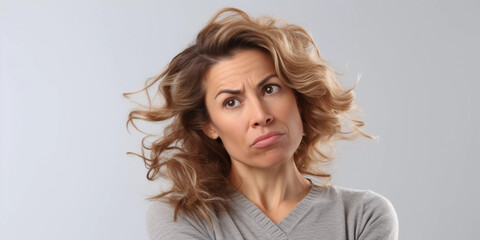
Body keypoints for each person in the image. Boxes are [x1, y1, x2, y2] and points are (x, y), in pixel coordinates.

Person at [124, 7, 398, 240]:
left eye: (270, 89)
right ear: (209, 126)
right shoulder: (180, 217)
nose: (260, 115)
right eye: (231, 102)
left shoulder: (363, 215)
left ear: (298, 99)